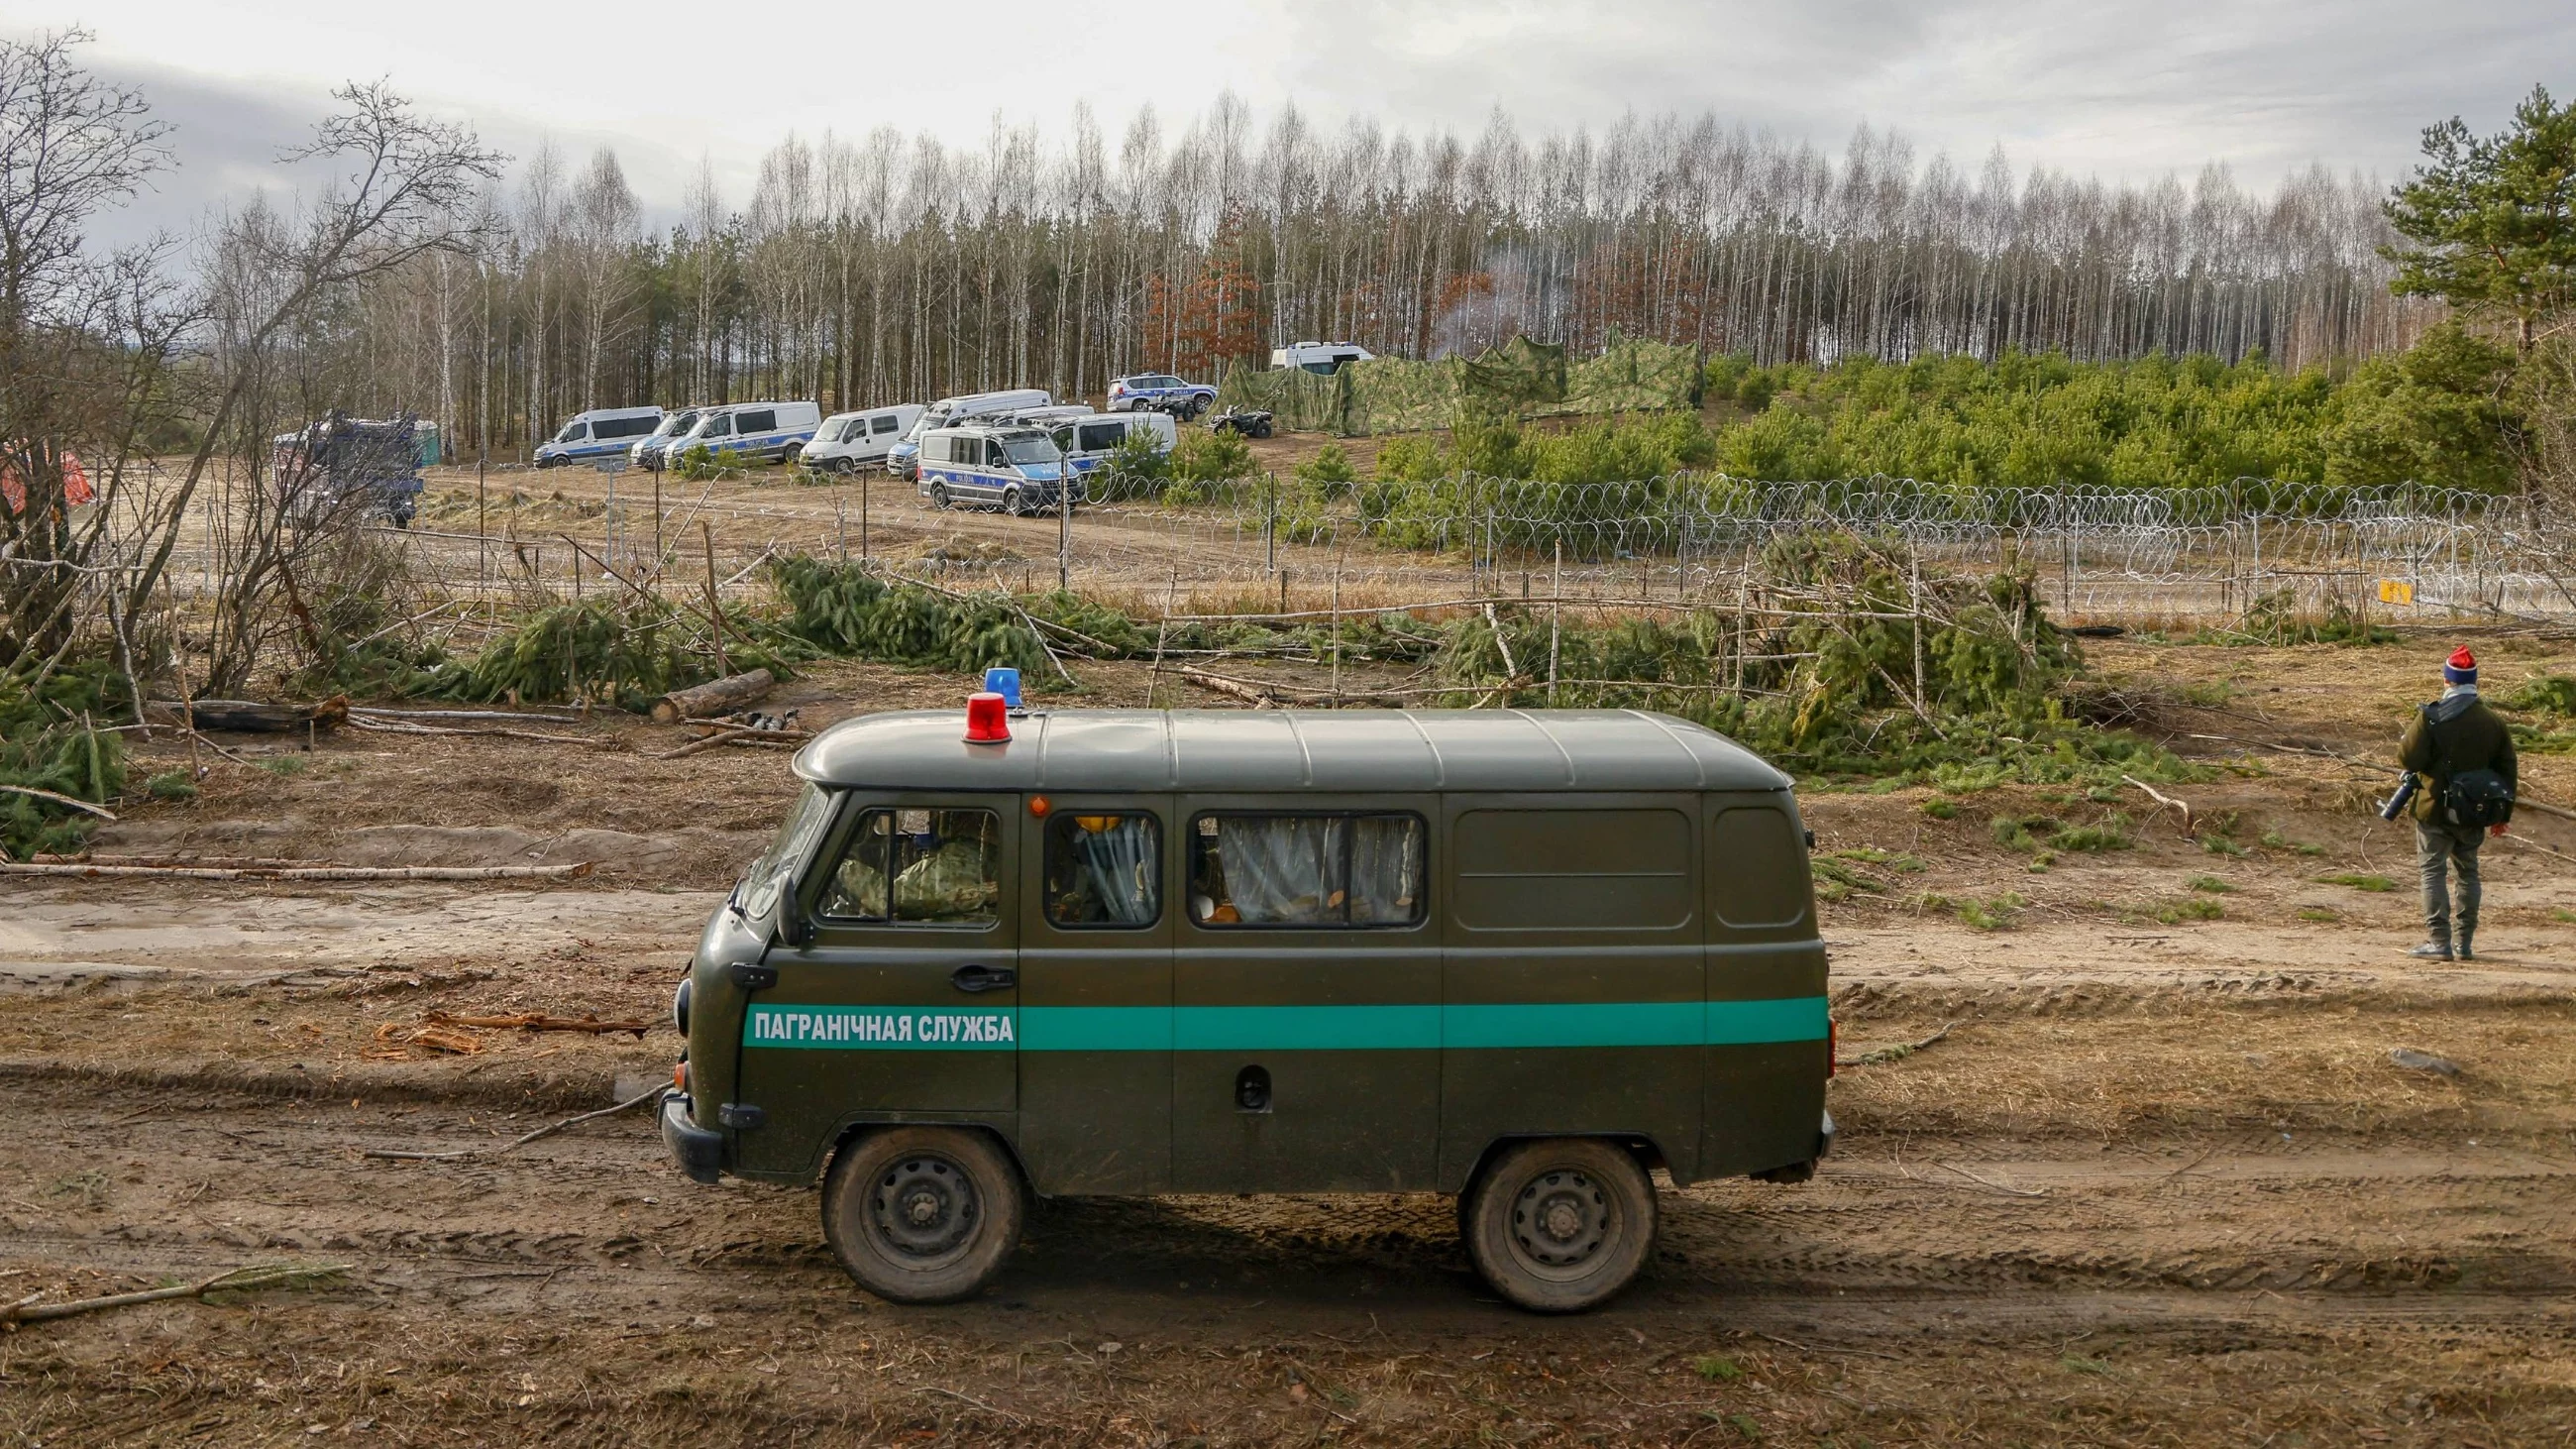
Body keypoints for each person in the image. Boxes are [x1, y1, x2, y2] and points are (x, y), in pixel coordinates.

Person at [2397, 646, 2517, 960]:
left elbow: (2408, 758)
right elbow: (2507, 771)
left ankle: (2439, 942)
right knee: (2469, 875)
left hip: (2433, 809)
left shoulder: (2431, 716)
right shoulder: (2493, 721)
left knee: (2432, 873)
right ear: (2473, 681)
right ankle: (2464, 944)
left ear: (2448, 680)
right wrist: (2502, 815)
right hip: (2475, 812)